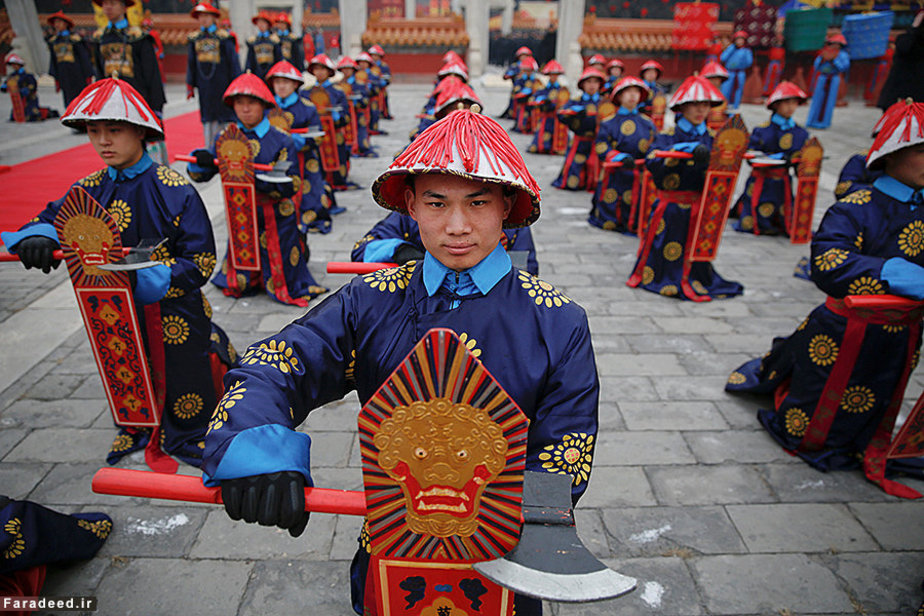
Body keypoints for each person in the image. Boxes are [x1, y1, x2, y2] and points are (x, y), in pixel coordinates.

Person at [201, 107, 598, 616]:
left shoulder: (559, 322)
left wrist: (497, 506)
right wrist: (256, 443)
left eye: (477, 203)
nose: (457, 226)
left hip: (503, 559)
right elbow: (277, 362)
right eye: (437, 202)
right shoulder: (369, 300)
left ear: (507, 208)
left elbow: (563, 457)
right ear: (409, 205)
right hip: (389, 559)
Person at [0, 77, 236, 467]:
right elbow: (48, 217)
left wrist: (145, 279)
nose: (103, 141)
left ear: (140, 132)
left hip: (175, 313)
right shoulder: (88, 189)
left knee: (184, 376)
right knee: (124, 364)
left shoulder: (174, 188)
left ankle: (189, 428)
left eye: (114, 130)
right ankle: (138, 424)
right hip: (113, 313)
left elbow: (201, 263)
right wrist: (38, 236)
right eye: (94, 131)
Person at [726, 98, 924, 495]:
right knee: (817, 408)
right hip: (842, 333)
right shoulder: (856, 207)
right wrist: (891, 272)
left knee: (880, 395)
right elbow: (829, 262)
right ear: (892, 154)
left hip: (901, 335)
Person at [187, 72, 328, 307]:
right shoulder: (226, 136)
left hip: (276, 213)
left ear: (263, 104)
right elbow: (204, 171)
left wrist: (252, 175)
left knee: (283, 263)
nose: (245, 109)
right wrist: (199, 161)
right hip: (240, 212)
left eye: (251, 103)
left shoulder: (282, 139)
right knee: (242, 257)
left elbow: (291, 182)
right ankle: (247, 279)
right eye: (239, 103)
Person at [627, 75, 744, 301]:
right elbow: (652, 160)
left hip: (700, 208)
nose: (701, 110)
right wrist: (683, 151)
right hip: (670, 208)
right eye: (695, 105)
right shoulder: (667, 136)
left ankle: (697, 277)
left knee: (696, 256)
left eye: (705, 105)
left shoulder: (715, 139)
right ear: (682, 107)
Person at [90, 0, 167, 164]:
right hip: (113, 103)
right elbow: (99, 73)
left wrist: (156, 107)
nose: (108, 7)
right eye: (105, 4)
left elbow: (152, 75)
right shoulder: (100, 38)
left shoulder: (138, 37)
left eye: (113, 3)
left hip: (139, 100)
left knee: (149, 150)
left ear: (124, 7)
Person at [265, 60, 335, 235]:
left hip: (303, 160)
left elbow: (317, 136)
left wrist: (293, 140)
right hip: (275, 160)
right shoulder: (266, 107)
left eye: (285, 82)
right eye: (277, 82)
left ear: (295, 84)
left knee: (309, 194)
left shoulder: (307, 107)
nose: (281, 86)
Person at [732, 81, 809, 235]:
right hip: (762, 179)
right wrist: (776, 158)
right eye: (786, 102)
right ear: (775, 105)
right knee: (757, 213)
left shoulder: (801, 133)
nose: (790, 107)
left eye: (794, 103)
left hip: (784, 180)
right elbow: (751, 155)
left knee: (786, 213)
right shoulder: (762, 130)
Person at [589, 76, 656, 233]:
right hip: (615, 173)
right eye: (628, 92)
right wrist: (618, 157)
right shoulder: (608, 122)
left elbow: (655, 145)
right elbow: (601, 146)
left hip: (638, 175)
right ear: (619, 96)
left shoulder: (648, 123)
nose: (632, 95)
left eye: (636, 92)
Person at [186, 2, 240, 148]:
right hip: (205, 87)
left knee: (226, 116)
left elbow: (233, 63)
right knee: (208, 118)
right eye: (200, 16)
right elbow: (191, 63)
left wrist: (237, 85)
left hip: (223, 83)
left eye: (206, 16)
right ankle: (210, 150)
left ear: (213, 17)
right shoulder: (194, 39)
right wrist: (190, 84)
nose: (203, 19)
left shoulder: (224, 38)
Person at [551, 67, 606, 191]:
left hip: (597, 142)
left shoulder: (604, 103)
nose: (592, 85)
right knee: (573, 171)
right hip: (579, 141)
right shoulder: (576, 101)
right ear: (582, 84)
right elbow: (561, 114)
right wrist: (574, 114)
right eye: (589, 82)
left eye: (595, 82)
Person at [308, 53, 355, 191]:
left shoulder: (337, 92)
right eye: (316, 69)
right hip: (316, 132)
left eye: (323, 69)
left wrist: (336, 117)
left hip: (334, 133)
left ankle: (337, 181)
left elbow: (346, 116)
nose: (320, 72)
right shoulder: (306, 92)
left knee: (338, 157)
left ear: (329, 71)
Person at [45, 10, 94, 109]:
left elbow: (84, 57)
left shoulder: (75, 40)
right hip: (63, 74)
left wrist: (88, 75)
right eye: (55, 22)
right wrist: (56, 78)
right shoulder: (53, 41)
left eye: (59, 22)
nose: (57, 25)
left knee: (80, 99)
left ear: (66, 24)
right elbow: (54, 61)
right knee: (68, 100)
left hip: (77, 74)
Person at [877, 10, 924, 111]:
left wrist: (914, 27)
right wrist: (914, 28)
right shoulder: (906, 41)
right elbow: (904, 47)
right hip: (900, 98)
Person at [806, 33, 849, 130]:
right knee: (817, 100)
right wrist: (823, 59)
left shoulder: (842, 55)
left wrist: (833, 60)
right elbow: (816, 66)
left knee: (829, 101)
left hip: (833, 79)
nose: (834, 45)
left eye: (837, 44)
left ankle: (824, 122)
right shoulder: (824, 53)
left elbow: (843, 67)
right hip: (822, 78)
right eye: (833, 43)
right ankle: (811, 121)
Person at [335, 56, 376, 158]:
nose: (347, 71)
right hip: (344, 114)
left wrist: (354, 102)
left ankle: (360, 146)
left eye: (349, 69)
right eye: (344, 69)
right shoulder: (337, 85)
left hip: (357, 114)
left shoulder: (359, 84)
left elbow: (365, 100)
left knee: (360, 131)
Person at [527, 59, 566, 154]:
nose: (554, 76)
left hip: (556, 119)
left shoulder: (562, 90)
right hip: (545, 117)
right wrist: (544, 101)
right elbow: (534, 99)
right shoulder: (542, 89)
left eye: (556, 74)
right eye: (552, 74)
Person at [2, 54, 57, 122]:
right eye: (12, 65)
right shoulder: (12, 76)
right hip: (18, 98)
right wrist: (4, 87)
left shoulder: (27, 75)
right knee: (15, 115)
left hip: (29, 98)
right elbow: (6, 84)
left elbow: (33, 85)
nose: (14, 66)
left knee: (31, 116)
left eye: (15, 64)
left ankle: (48, 113)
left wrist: (28, 89)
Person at [720, 31, 753, 110]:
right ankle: (724, 104)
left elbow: (749, 62)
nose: (739, 41)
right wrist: (731, 49)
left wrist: (740, 65)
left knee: (738, 89)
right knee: (726, 88)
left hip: (740, 73)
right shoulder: (731, 48)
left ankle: (735, 105)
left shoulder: (746, 51)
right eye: (738, 39)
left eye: (742, 39)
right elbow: (723, 58)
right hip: (729, 72)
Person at [245, 10, 281, 80]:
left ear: (268, 24)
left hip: (271, 74)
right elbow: (250, 59)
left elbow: (278, 58)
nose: (261, 25)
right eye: (259, 22)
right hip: (257, 73)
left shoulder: (274, 40)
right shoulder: (253, 41)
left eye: (263, 22)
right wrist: (248, 70)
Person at [500, 46, 533, 119]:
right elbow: (506, 75)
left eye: (526, 56)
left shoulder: (531, 65)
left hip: (527, 89)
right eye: (522, 56)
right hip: (516, 87)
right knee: (514, 103)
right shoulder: (515, 66)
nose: (524, 58)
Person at [701, 60, 730, 132]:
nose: (715, 82)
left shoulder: (722, 97)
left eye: (717, 79)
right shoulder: (701, 97)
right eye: (712, 79)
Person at [367, 44, 392, 119]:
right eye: (372, 55)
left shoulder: (384, 66)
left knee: (384, 100)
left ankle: (384, 113)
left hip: (381, 89)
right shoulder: (369, 65)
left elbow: (387, 78)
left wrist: (382, 83)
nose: (373, 57)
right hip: (371, 88)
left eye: (375, 55)